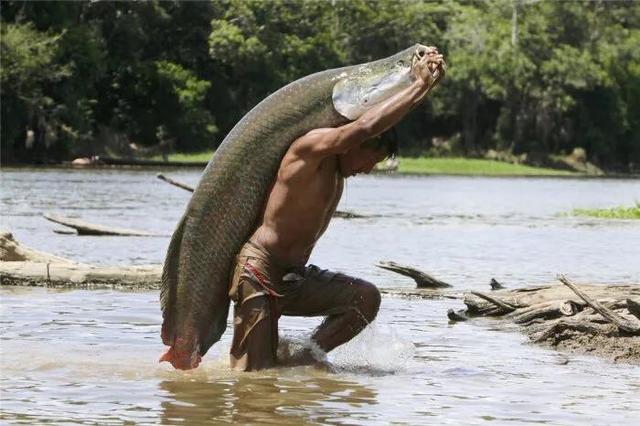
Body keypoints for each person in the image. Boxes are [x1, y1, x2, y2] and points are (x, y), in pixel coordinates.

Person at [228, 47, 445, 371]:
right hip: (259, 272)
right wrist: (417, 86)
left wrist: (424, 83)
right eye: (369, 161)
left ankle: (303, 357)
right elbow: (363, 127)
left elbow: (369, 128)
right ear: (353, 145)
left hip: (294, 278)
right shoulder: (310, 150)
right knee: (254, 380)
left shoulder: (337, 176)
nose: (368, 170)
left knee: (365, 298)